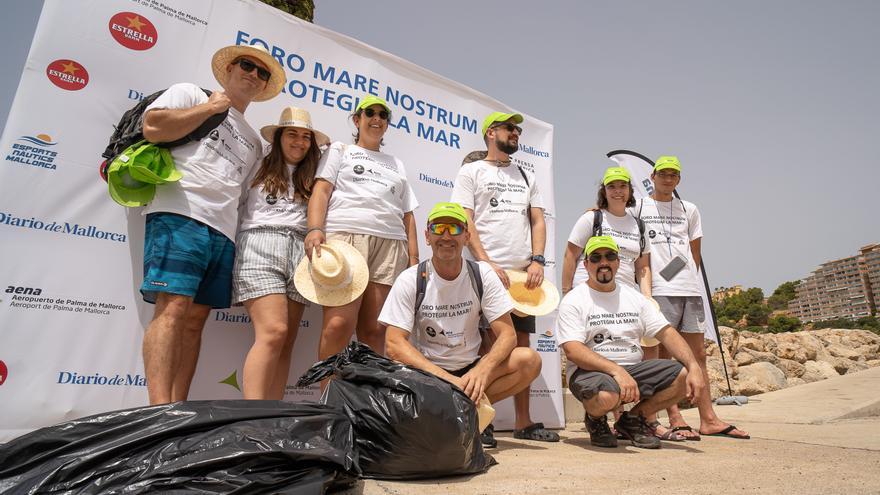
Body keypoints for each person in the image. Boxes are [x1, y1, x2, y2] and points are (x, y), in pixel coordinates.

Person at [139, 44, 285, 405]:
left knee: (194, 321)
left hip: (223, 232)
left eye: (261, 72)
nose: (253, 74)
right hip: (180, 213)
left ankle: (178, 411)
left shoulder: (254, 140)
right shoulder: (191, 93)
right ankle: (158, 414)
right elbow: (152, 128)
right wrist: (210, 107)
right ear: (230, 68)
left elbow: (240, 195)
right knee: (172, 308)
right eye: (247, 65)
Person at [381, 202, 542, 426]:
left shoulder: (482, 273)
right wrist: (447, 380)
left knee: (529, 360)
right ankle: (465, 413)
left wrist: (482, 372)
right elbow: (393, 344)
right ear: (427, 236)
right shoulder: (411, 278)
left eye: (455, 229)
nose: (446, 236)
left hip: (470, 371)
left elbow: (508, 335)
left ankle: (470, 412)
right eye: (438, 228)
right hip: (426, 372)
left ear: (466, 236)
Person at [451, 111, 557, 444]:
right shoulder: (471, 171)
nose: (516, 134)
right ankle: (481, 420)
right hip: (486, 272)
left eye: (518, 130)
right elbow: (465, 221)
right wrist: (485, 262)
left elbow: (538, 221)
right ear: (491, 132)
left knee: (522, 346)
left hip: (524, 277)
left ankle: (524, 422)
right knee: (487, 348)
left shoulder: (526, 175)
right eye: (510, 129)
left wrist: (538, 260)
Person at [636, 156, 749, 440]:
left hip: (689, 290)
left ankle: (708, 418)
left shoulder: (690, 208)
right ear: (653, 176)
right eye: (663, 174)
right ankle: (674, 417)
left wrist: (682, 277)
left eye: (673, 175)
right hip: (659, 291)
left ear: (678, 179)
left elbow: (694, 252)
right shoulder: (639, 206)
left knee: (697, 356)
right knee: (663, 357)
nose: (667, 179)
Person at [556, 236, 707, 449]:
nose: (603, 262)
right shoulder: (574, 299)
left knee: (684, 376)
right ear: (586, 264)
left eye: (610, 256)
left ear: (618, 262)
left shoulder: (635, 297)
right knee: (608, 395)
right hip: (590, 372)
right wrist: (617, 371)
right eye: (596, 257)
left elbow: (667, 333)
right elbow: (573, 351)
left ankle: (633, 420)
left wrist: (693, 366)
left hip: (632, 369)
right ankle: (596, 419)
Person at [304, 95, 419, 361]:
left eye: (383, 115)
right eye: (370, 113)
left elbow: (408, 213)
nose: (377, 119)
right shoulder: (340, 150)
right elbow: (321, 191)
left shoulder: (396, 163)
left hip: (391, 244)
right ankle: (327, 399)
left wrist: (413, 259)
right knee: (338, 325)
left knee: (375, 331)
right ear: (358, 120)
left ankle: (367, 399)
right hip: (346, 238)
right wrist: (313, 229)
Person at [231, 107, 329, 400]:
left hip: (301, 252)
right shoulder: (257, 160)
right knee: (273, 332)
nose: (299, 142)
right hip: (260, 244)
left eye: (305, 137)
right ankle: (252, 417)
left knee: (286, 341)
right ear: (278, 137)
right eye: (292, 134)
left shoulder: (316, 173)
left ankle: (272, 418)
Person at [562, 166, 651, 296]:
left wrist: (647, 298)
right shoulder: (591, 218)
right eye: (611, 187)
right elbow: (570, 255)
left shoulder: (640, 226)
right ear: (604, 192)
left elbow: (642, 267)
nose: (618, 191)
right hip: (588, 294)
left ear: (630, 190)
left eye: (622, 186)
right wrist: (566, 293)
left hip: (624, 296)